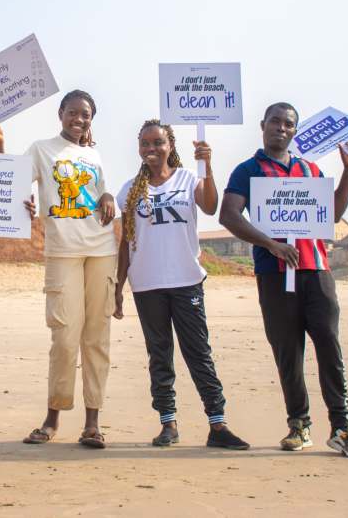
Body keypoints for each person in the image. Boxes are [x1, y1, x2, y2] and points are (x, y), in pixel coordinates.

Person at [219, 102, 348, 458]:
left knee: (329, 347)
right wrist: (270, 244)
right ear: (263, 126)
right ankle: (299, 425)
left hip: (316, 271)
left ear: (294, 131)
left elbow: (330, 214)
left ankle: (342, 426)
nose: (281, 128)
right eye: (275, 122)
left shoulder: (310, 169)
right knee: (288, 353)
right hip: (274, 275)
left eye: (288, 124)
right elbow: (228, 214)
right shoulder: (248, 170)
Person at [0, 90, 118, 449]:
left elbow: (103, 195)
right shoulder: (41, 149)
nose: (79, 119)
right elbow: (9, 183)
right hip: (62, 251)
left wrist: (108, 196)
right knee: (64, 337)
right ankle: (53, 417)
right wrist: (0, 144)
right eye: (72, 112)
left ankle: (93, 422)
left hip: (102, 250)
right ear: (60, 114)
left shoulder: (94, 153)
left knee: (96, 337)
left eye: (86, 114)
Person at [113, 120, 249, 450]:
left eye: (158, 142)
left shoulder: (190, 180)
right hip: (146, 284)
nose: (151, 148)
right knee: (159, 355)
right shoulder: (130, 190)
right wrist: (118, 288)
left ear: (170, 145)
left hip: (186, 281)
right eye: (145, 143)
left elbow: (211, 206)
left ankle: (218, 425)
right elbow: (125, 242)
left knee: (198, 353)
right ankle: (168, 424)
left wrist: (208, 165)